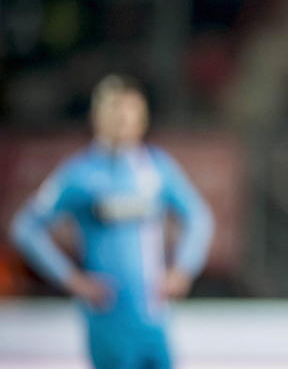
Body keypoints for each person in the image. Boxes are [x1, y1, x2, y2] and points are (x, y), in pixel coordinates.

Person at [11, 74, 214, 369]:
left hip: (153, 315)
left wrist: (183, 268)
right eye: (115, 109)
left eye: (131, 111)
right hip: (108, 318)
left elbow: (199, 217)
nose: (123, 119)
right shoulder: (78, 174)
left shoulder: (157, 168)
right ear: (97, 116)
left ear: (143, 117)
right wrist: (71, 279)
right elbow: (26, 228)